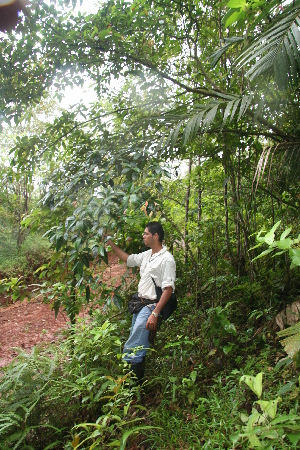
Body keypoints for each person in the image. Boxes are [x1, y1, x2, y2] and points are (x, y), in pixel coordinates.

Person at [106, 222, 176, 380]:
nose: (143, 236)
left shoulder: (167, 259)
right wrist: (111, 243)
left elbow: (168, 289)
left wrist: (155, 313)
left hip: (150, 307)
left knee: (132, 349)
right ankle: (136, 390)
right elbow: (128, 259)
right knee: (138, 346)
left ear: (155, 236)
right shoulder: (147, 255)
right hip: (140, 305)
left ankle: (131, 391)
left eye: (146, 234)